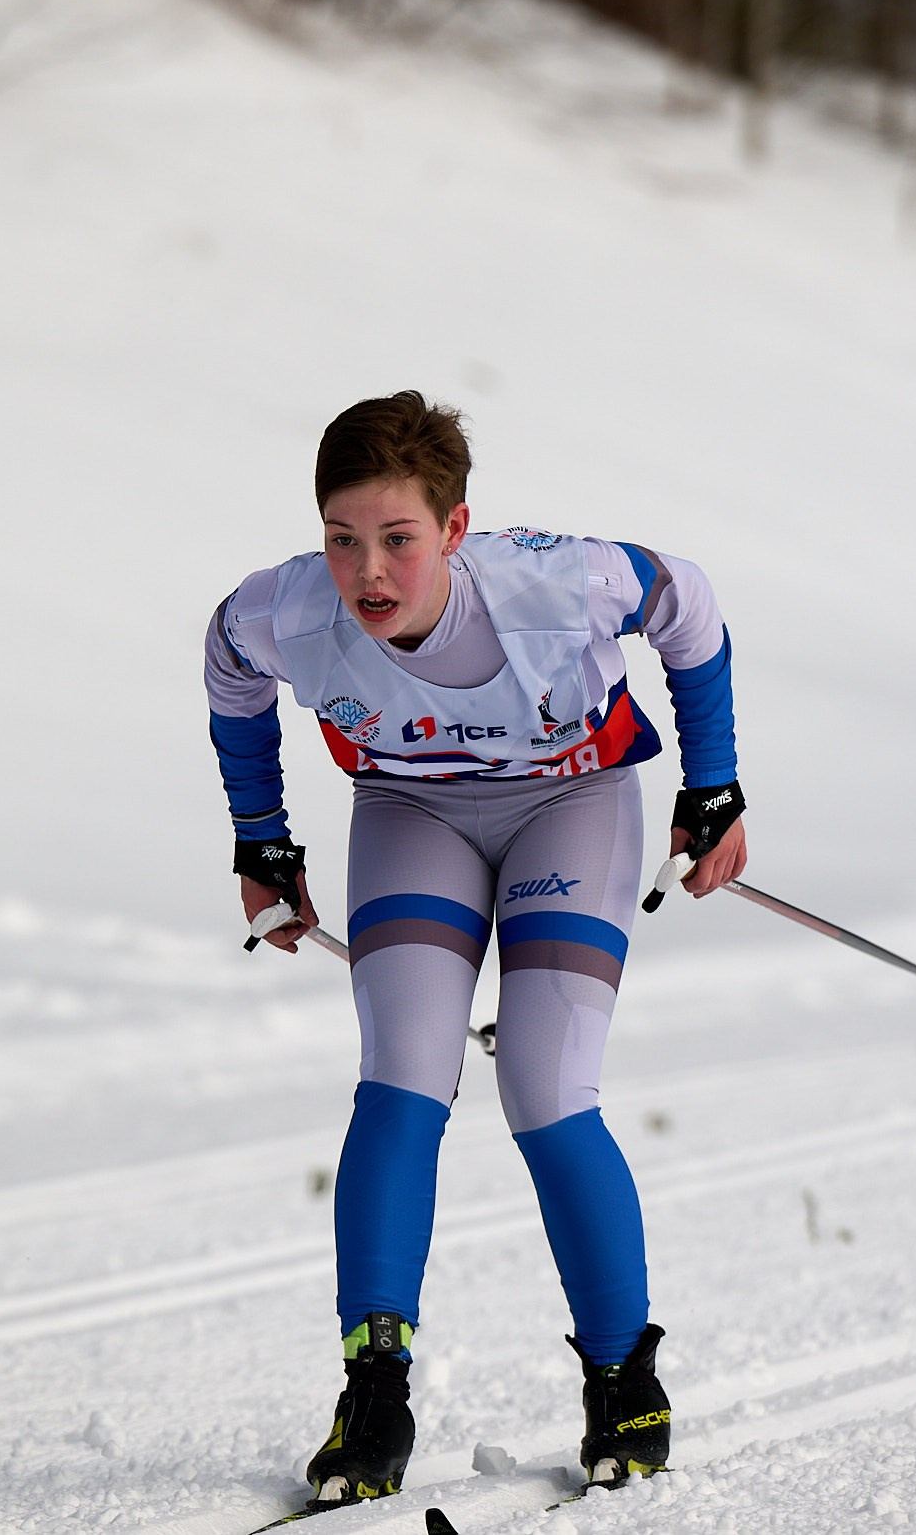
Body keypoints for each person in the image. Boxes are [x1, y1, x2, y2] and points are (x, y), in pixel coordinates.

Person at [202, 391, 747, 1508]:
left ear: (455, 530)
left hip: (572, 806)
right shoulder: (285, 610)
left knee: (544, 1085)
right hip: (416, 816)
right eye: (341, 538)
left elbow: (686, 603)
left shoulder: (557, 582)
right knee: (401, 1079)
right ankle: (375, 1391)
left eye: (398, 538)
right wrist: (262, 837)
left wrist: (714, 781)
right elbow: (227, 673)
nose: (368, 572)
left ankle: (621, 1379)